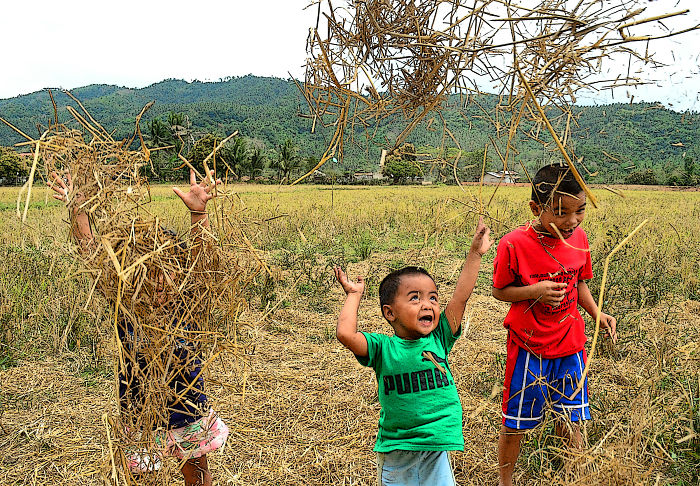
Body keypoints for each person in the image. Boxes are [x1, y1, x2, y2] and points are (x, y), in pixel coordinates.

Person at [49, 168, 227, 486]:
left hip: (187, 412)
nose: (159, 280)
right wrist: (77, 206)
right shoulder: (126, 305)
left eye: (168, 269)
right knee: (141, 475)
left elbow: (203, 260)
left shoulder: (189, 301)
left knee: (197, 472)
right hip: (138, 416)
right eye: (148, 271)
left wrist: (198, 214)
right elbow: (89, 250)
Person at [334, 217, 492, 486]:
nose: (427, 304)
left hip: (436, 451)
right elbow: (346, 334)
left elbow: (460, 297)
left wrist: (475, 253)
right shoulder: (383, 348)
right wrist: (354, 294)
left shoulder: (440, 338)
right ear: (390, 313)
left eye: (432, 297)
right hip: (397, 452)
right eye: (415, 298)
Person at [491, 164, 618, 486]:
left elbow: (581, 284)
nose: (572, 221)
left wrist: (596, 313)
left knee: (570, 418)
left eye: (580, 211)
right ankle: (505, 480)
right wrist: (534, 291)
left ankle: (573, 475)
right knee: (515, 423)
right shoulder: (513, 244)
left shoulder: (580, 240)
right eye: (561, 212)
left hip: (571, 344)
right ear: (536, 208)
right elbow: (499, 291)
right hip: (528, 347)